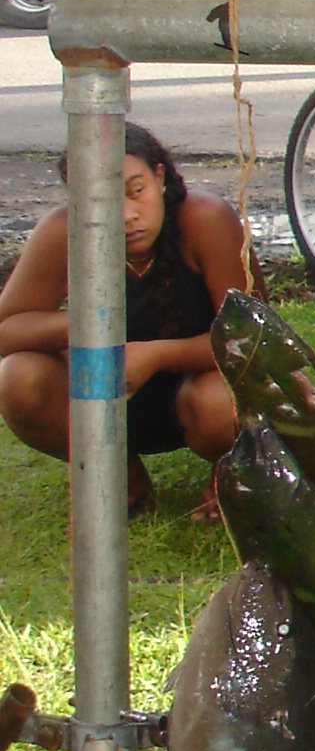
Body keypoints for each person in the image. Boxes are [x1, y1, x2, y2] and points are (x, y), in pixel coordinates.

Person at [0, 124, 247, 517]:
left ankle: (231, 473)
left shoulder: (204, 219)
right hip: (101, 393)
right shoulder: (63, 232)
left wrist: (154, 356)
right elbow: (7, 331)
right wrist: (85, 325)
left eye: (136, 191)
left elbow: (250, 339)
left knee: (220, 403)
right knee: (18, 377)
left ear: (159, 177)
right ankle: (120, 474)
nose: (126, 216)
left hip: (200, 390)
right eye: (100, 200)